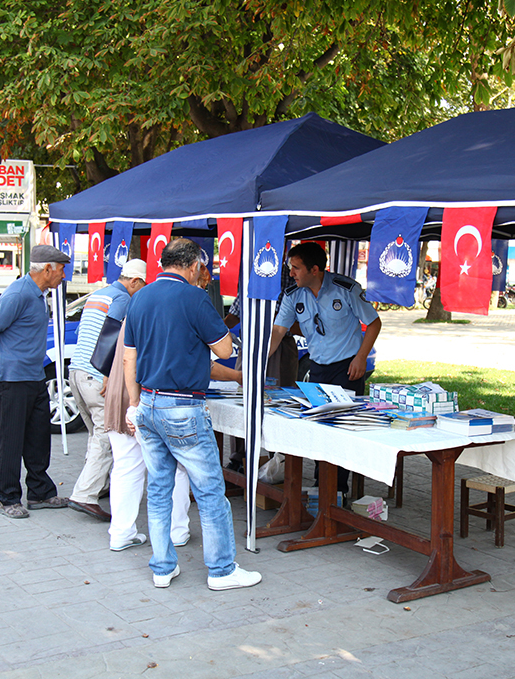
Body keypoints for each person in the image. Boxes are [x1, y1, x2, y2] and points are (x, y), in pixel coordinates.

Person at [124, 238, 262, 591]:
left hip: (149, 404)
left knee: (158, 490)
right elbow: (226, 348)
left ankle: (162, 567)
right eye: (203, 267)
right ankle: (221, 570)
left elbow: (130, 358)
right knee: (210, 490)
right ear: (192, 266)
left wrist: (134, 403)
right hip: (183, 406)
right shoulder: (195, 297)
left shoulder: (139, 297)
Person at [268, 242, 381, 493]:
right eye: (290, 268)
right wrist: (261, 359)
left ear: (315, 269)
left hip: (347, 370)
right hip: (317, 369)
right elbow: (278, 330)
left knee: (342, 431)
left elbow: (374, 323)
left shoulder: (346, 289)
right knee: (320, 429)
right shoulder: (293, 295)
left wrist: (361, 357)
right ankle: (322, 487)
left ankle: (338, 491)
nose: (291, 273)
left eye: (296, 268)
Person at [0, 244, 72, 519]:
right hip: (11, 380)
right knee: (12, 439)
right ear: (47, 270)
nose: (63, 276)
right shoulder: (19, 293)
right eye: (61, 270)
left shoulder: (40, 294)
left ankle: (40, 491)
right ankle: (8, 497)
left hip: (33, 376)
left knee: (38, 437)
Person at [68, 258, 148, 522]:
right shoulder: (123, 298)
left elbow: (83, 331)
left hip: (77, 372)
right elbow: (113, 334)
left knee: (97, 434)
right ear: (134, 281)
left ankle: (100, 484)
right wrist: (107, 374)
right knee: (106, 435)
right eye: (142, 286)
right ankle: (85, 494)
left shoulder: (98, 295)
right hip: (95, 374)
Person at [104, 320, 191, 551]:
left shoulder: (134, 308)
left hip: (119, 392)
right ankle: (176, 530)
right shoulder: (162, 311)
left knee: (125, 467)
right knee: (174, 466)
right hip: (144, 396)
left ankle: (121, 533)